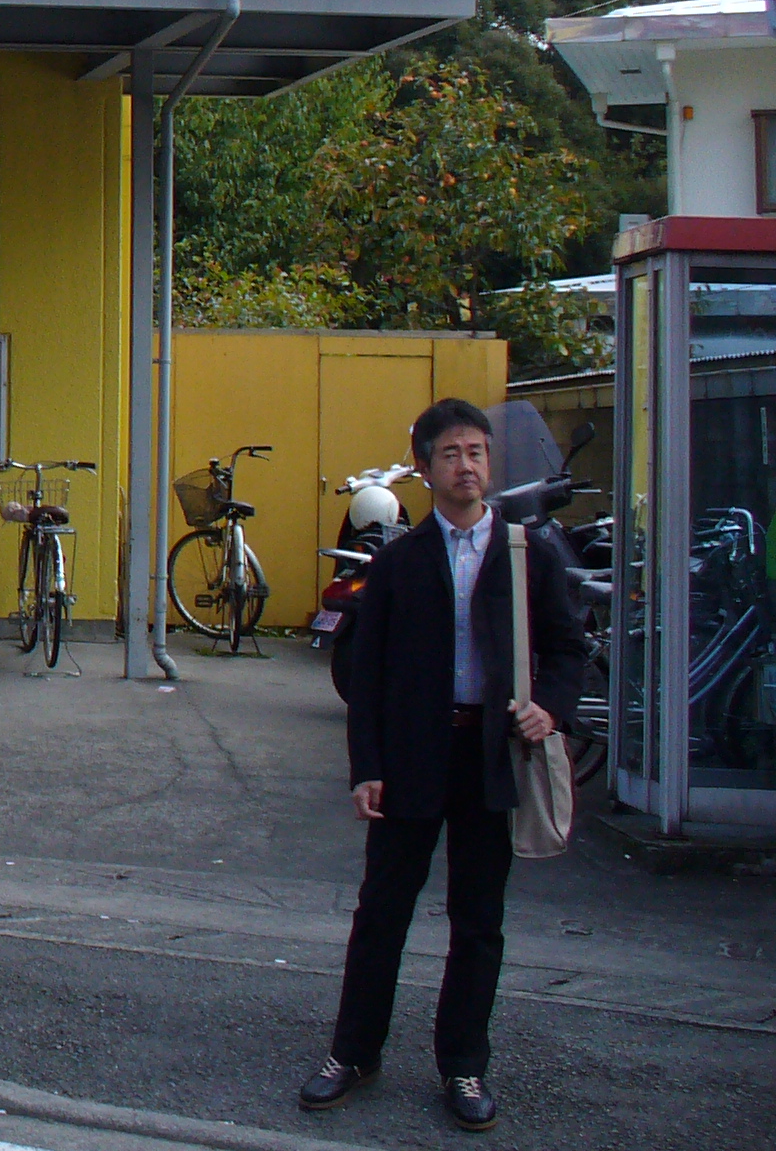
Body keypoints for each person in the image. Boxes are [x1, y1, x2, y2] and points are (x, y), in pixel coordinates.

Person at [299, 398, 585, 1133]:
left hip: (490, 756)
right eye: (452, 454)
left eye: (478, 453)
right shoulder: (398, 563)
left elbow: (567, 649)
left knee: (478, 919)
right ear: (424, 469)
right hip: (412, 758)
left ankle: (464, 1065)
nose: (468, 466)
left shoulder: (525, 554)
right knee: (382, 911)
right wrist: (367, 767)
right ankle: (353, 1052)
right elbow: (366, 674)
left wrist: (547, 709)